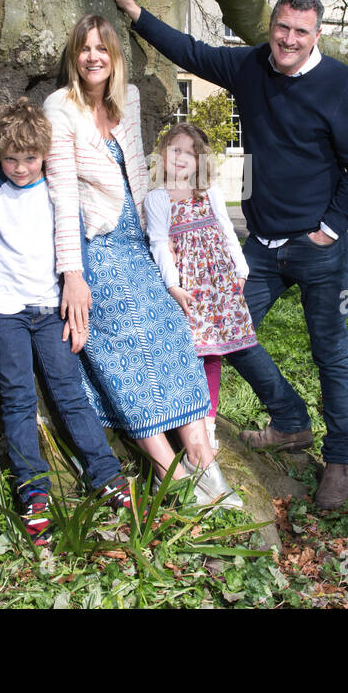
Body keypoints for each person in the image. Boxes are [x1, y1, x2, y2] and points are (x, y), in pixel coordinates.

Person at [106, 0, 348, 510]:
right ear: (272, 26)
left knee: (331, 353)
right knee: (221, 331)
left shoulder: (340, 85)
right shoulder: (252, 67)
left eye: (300, 31)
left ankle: (340, 462)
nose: (288, 39)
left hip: (319, 249)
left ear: (316, 35)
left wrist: (328, 230)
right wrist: (135, 14)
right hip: (262, 247)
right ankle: (289, 420)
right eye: (282, 27)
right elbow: (193, 52)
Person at [43, 15, 242, 509]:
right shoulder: (59, 109)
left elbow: (137, 174)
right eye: (84, 48)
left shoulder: (127, 99)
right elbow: (64, 196)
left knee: (173, 336)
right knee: (127, 349)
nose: (93, 57)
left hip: (137, 245)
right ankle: (166, 470)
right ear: (75, 55)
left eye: (102, 49)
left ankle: (203, 461)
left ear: (114, 57)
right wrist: (72, 274)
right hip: (97, 248)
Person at [0, 97, 134, 546]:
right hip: (2, 310)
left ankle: (106, 475)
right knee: (18, 398)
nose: (20, 168)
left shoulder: (57, 190)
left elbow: (77, 245)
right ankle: (33, 491)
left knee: (69, 393)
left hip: (49, 309)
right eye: (11, 159)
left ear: (44, 155)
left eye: (29, 158)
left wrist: (79, 302)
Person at [144, 122, 258, 452]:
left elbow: (226, 230)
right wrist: (173, 285)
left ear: (200, 161)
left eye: (189, 154)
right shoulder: (158, 197)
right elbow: (159, 244)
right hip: (185, 288)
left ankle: (208, 422)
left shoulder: (209, 193)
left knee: (212, 354)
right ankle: (184, 420)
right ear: (163, 154)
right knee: (187, 351)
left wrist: (240, 268)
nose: (181, 158)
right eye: (174, 150)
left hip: (216, 285)